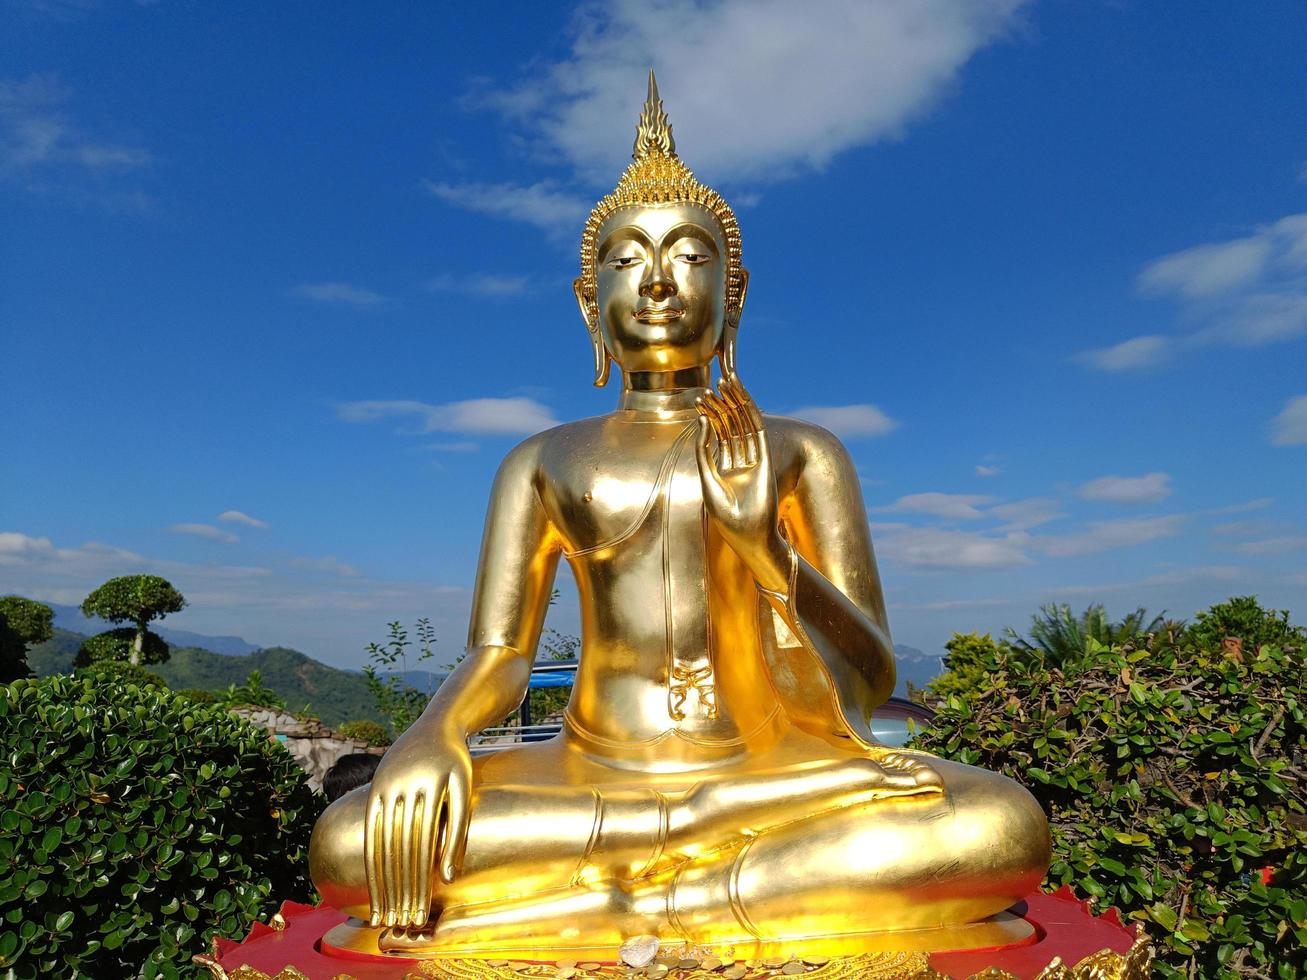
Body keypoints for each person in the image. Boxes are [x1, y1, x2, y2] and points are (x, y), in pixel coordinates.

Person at [309, 74, 1049, 956]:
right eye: (626, 261)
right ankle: (705, 878)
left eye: (689, 257)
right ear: (590, 303)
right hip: (595, 776)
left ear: (734, 293)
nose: (658, 282)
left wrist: (761, 546)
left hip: (767, 770)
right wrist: (431, 736)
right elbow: (500, 654)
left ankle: (632, 896)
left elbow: (869, 680)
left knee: (999, 825)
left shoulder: (801, 451)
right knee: (352, 841)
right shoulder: (540, 461)